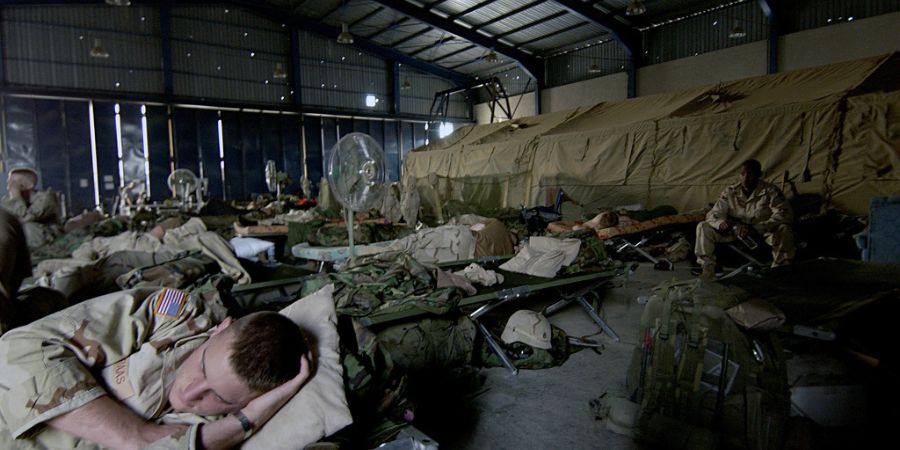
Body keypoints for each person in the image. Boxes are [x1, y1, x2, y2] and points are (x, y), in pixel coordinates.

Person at [0, 282, 312, 450]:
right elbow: (19, 348)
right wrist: (136, 436)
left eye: (218, 397)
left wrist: (247, 420)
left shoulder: (218, 429)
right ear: (219, 329)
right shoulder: (174, 320)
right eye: (202, 367)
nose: (190, 394)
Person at [694, 159, 795, 279]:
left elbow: (784, 214)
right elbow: (714, 213)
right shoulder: (730, 192)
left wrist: (757, 228)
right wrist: (721, 223)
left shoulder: (770, 191)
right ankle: (708, 270)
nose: (746, 178)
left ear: (759, 175)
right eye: (742, 174)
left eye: (750, 174)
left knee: (784, 229)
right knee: (703, 226)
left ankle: (779, 272)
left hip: (763, 231)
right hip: (736, 231)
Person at [1, 167, 63, 249]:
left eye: (14, 182)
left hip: (46, 236)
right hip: (23, 239)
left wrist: (16, 197)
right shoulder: (7, 200)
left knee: (28, 227)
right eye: (9, 182)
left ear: (30, 185)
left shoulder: (46, 198)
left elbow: (26, 217)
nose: (10, 186)